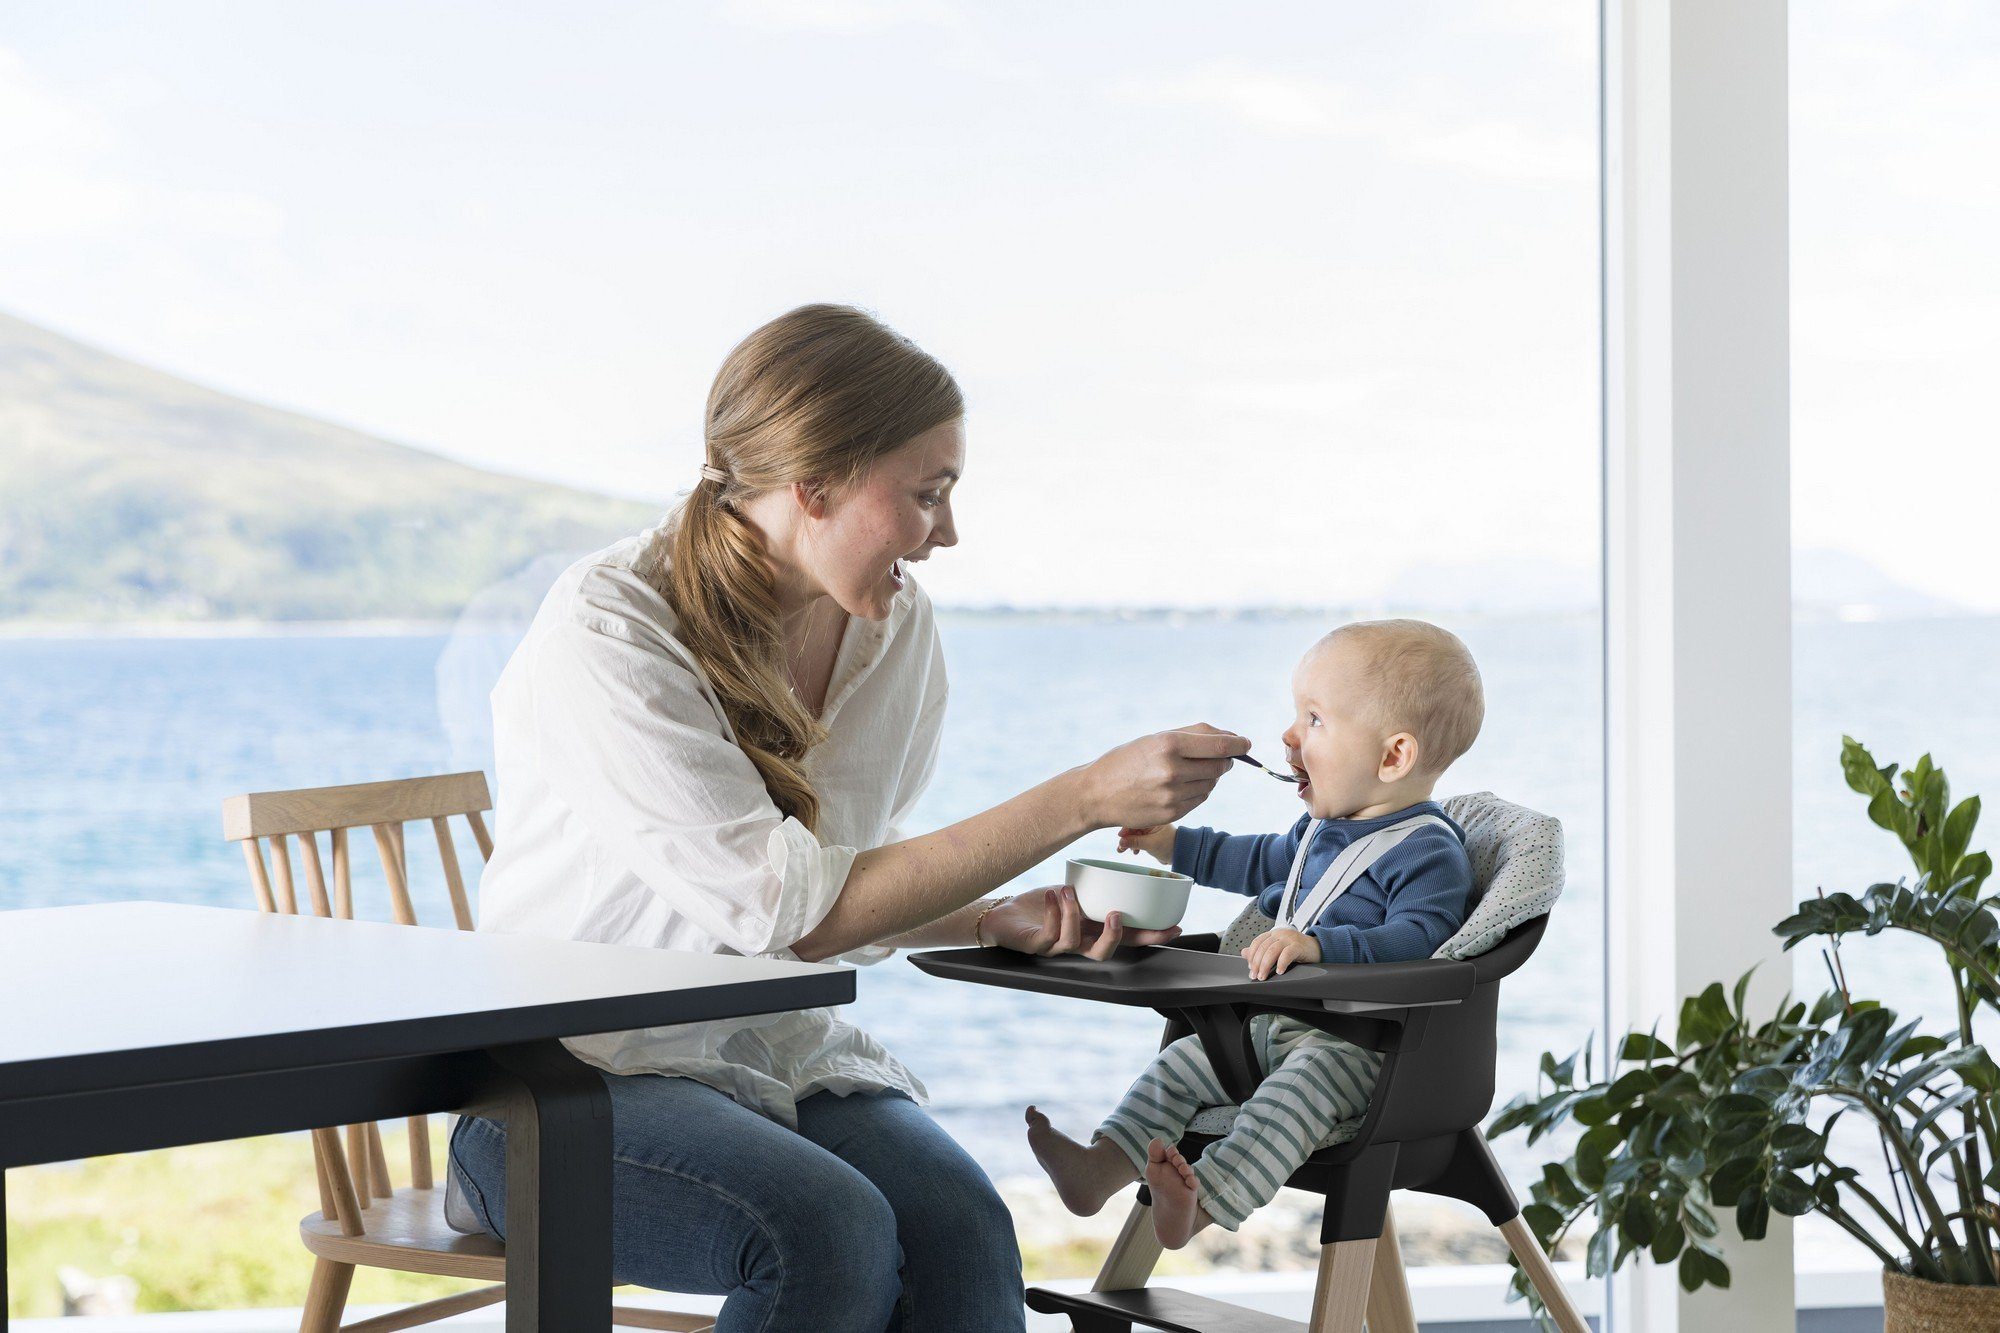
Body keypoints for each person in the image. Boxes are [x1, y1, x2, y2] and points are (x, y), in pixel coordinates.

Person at [445, 303, 1251, 1332]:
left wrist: (985, 917)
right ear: (811, 484)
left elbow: (834, 879)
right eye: (925, 493)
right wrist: (1080, 798)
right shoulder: (610, 629)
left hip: (761, 1048)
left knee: (961, 1226)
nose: (946, 532)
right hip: (560, 1077)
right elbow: (789, 907)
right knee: (824, 1230)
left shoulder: (893, 630)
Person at [1023, 619, 1484, 1248]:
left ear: (1393, 756)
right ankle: (1098, 1169)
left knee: (1296, 1093)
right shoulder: (1319, 832)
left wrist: (1320, 947)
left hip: (1361, 1049)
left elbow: (1420, 939)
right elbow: (1252, 860)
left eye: (1315, 720)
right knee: (1182, 1063)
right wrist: (1170, 846)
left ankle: (1204, 1205)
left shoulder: (1427, 852)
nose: (1289, 736)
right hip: (1274, 1028)